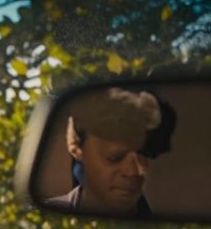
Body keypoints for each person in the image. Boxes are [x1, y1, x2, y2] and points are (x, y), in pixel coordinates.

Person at [45, 86, 176, 217]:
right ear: (76, 149)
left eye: (144, 154)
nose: (136, 171)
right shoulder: (50, 215)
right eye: (115, 157)